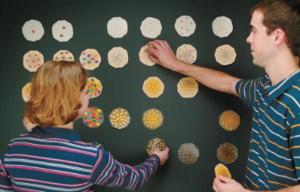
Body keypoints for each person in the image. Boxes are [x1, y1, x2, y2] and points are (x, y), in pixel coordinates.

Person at [147, 0, 300, 191]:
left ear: (277, 36)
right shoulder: (264, 87)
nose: (248, 39)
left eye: (254, 30)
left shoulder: (297, 103)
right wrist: (175, 64)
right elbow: (227, 83)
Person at [0, 60, 170, 191]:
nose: (89, 97)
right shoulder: (92, 157)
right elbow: (134, 179)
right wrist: (156, 159)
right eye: (86, 92)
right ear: (74, 100)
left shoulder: (14, 147)